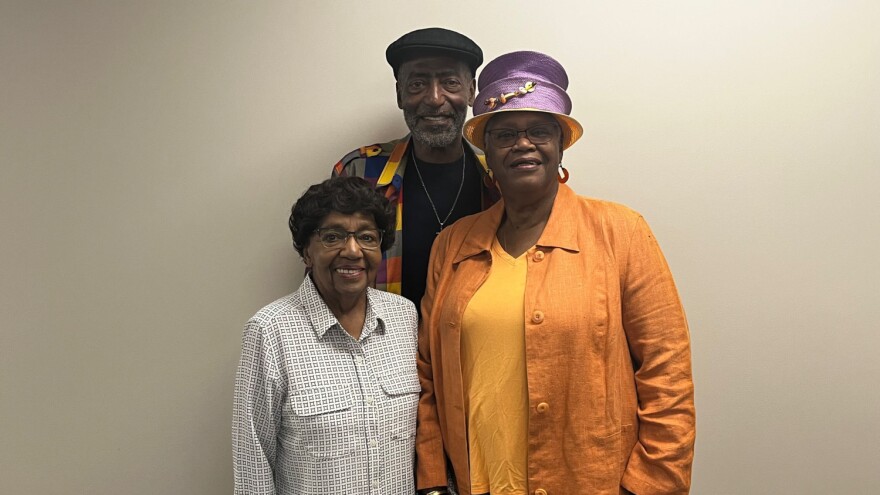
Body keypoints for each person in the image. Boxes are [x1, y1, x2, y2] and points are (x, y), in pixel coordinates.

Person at [415, 51, 696, 495]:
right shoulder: (452, 245)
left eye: (539, 131)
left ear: (561, 144)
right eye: (504, 134)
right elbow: (427, 375)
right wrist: (430, 479)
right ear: (486, 149)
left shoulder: (620, 231)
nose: (522, 144)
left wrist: (650, 486)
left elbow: (668, 374)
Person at [233, 177, 420, 494]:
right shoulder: (270, 330)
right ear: (307, 252)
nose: (352, 250)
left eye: (366, 237)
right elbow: (253, 462)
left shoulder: (404, 316)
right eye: (332, 237)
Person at [332, 27, 500, 310]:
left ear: (471, 92)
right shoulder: (359, 172)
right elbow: (326, 280)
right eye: (417, 84)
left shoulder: (500, 176)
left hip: (476, 349)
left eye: (450, 82)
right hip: (382, 349)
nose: (434, 98)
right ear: (399, 95)